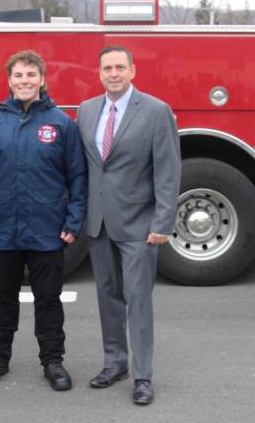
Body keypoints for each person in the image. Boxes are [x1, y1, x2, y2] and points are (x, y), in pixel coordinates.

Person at [0, 50, 87, 391]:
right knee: (2, 297)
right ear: (9, 80)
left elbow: (78, 177)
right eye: (19, 75)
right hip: (2, 229)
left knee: (48, 300)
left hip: (47, 230)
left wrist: (73, 220)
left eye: (31, 75)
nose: (25, 81)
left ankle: (53, 362)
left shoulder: (61, 124)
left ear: (42, 79)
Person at [77, 45, 181, 405]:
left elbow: (168, 170)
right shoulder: (87, 111)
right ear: (99, 72)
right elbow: (87, 168)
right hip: (99, 222)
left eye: (120, 67)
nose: (114, 74)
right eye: (107, 68)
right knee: (107, 296)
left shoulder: (155, 111)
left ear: (133, 71)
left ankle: (143, 375)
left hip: (139, 223)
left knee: (138, 300)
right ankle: (114, 363)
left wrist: (163, 221)